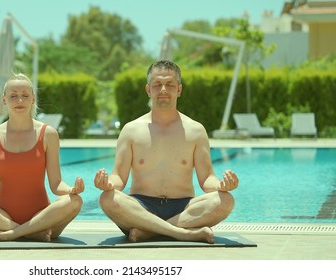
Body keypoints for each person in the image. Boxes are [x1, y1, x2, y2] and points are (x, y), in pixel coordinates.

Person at [94, 60, 238, 244]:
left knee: (226, 201)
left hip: (183, 207)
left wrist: (221, 186)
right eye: (157, 85)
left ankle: (150, 232)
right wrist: (107, 183)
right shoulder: (131, 130)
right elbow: (119, 178)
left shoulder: (196, 130)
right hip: (141, 207)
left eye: (170, 85)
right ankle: (182, 233)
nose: (163, 89)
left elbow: (207, 178)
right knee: (107, 198)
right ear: (148, 90)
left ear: (179, 90)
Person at [0, 73, 84, 243]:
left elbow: (56, 184)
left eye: (25, 96)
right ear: (4, 99)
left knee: (75, 201)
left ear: (33, 99)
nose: (19, 100)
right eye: (13, 96)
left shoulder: (48, 134)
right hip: (3, 218)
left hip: (41, 216)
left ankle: (8, 235)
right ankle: (30, 233)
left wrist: (72, 190)